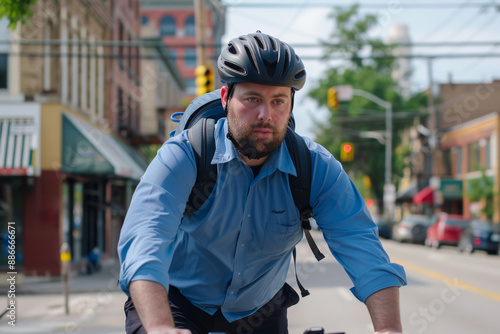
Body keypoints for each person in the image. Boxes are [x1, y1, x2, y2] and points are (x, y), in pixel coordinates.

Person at [118, 31, 407, 334]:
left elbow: (361, 243)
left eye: (278, 101)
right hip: (178, 303)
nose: (265, 115)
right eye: (252, 99)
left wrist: (388, 328)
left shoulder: (314, 167)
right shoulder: (187, 155)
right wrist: (160, 327)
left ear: (291, 105)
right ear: (226, 97)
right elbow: (144, 240)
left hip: (258, 312)